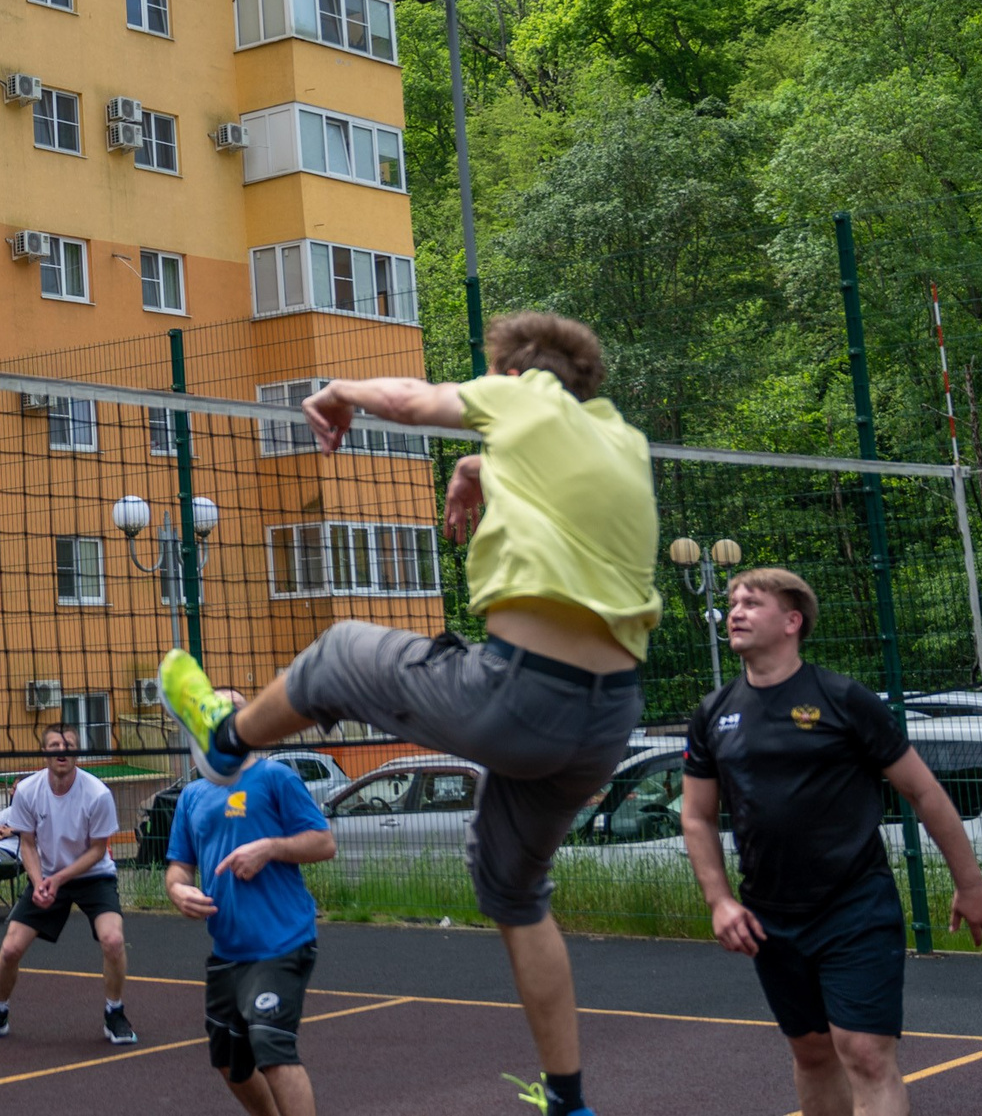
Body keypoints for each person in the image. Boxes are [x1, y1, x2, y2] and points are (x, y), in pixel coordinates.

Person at [160, 311, 661, 1116]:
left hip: (521, 694)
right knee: (512, 887)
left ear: (511, 371)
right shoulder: (618, 440)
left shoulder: (523, 394)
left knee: (339, 652)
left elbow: (413, 397)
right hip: (605, 719)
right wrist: (478, 468)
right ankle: (570, 1101)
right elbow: (546, 477)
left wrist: (340, 392)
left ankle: (226, 739)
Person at [681, 569, 982, 1116]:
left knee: (866, 1054)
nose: (734, 611)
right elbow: (696, 816)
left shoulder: (842, 698)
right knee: (811, 1053)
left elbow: (923, 792)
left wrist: (969, 885)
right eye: (732, 602)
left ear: (791, 621)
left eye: (751, 603)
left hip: (855, 906)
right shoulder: (713, 714)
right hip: (769, 914)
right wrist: (719, 901)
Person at [166, 737, 339, 1116]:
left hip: (281, 942)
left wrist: (269, 848)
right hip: (228, 949)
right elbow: (179, 865)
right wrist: (178, 890)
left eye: (238, 717)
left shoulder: (275, 776)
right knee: (229, 1062)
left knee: (271, 1045)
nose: (230, 726)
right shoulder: (192, 794)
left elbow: (324, 843)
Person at [0, 725, 135, 1046]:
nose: (62, 749)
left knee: (113, 940)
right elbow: (27, 844)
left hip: (93, 875)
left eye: (69, 744)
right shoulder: (28, 791)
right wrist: (39, 881)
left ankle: (115, 1012)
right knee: (10, 948)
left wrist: (57, 879)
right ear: (45, 751)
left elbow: (98, 850)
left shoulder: (98, 793)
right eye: (55, 744)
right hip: (45, 875)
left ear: (77, 752)